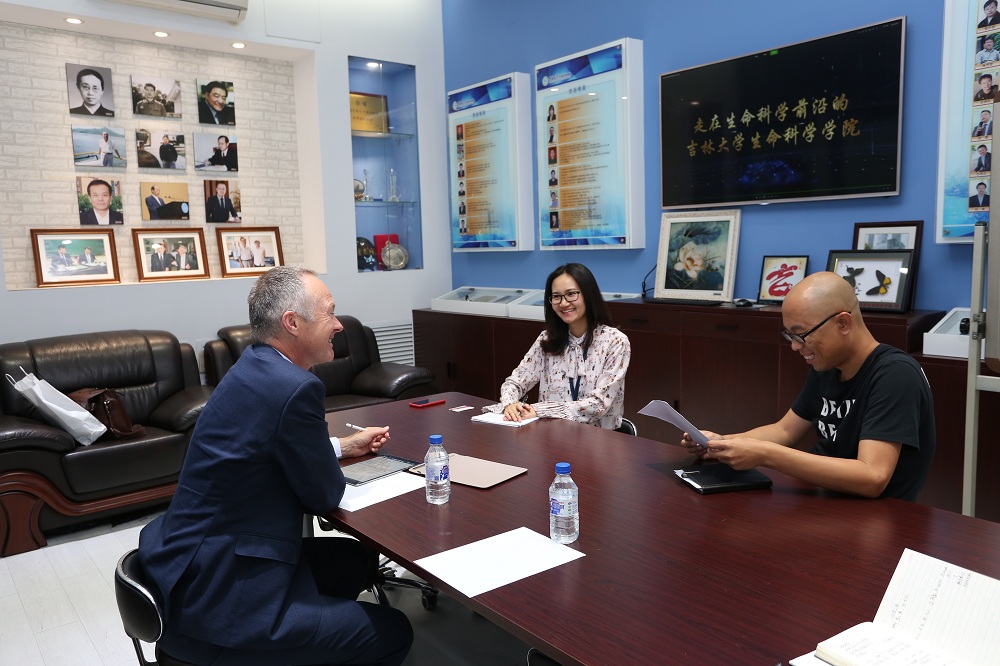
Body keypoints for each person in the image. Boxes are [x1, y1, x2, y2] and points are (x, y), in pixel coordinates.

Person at [137, 267, 413, 665]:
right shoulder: (295, 387)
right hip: (221, 602)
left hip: (190, 566)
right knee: (395, 630)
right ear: (293, 323)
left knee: (353, 560)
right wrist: (330, 459)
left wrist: (339, 446)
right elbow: (324, 496)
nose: (338, 325)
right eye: (330, 312)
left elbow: (259, 451)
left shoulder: (253, 366)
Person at [681, 272, 935, 501]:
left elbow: (872, 477)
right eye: (789, 336)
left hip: (876, 517)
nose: (794, 346)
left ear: (843, 323)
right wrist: (722, 443)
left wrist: (766, 455)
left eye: (800, 334)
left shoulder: (895, 375)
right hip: (823, 500)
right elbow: (784, 431)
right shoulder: (827, 366)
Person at [485, 263, 630, 430]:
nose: (563, 303)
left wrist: (540, 410)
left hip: (598, 439)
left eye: (571, 294)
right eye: (556, 297)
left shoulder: (615, 342)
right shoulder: (547, 339)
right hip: (550, 435)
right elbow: (515, 382)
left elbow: (598, 404)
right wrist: (509, 404)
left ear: (588, 294)